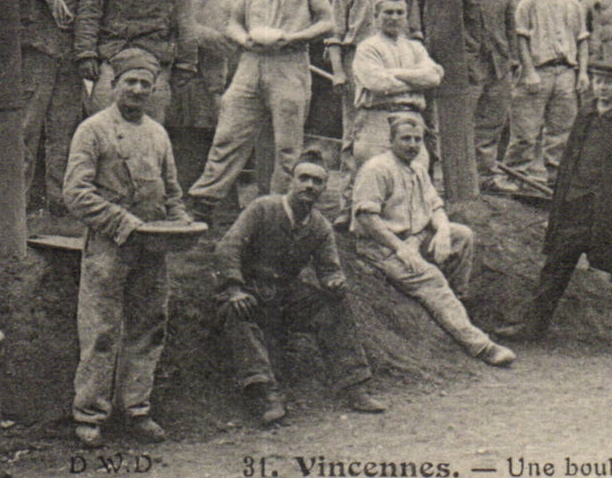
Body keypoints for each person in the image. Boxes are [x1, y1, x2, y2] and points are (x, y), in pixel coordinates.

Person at [63, 48, 188, 448]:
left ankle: (136, 410)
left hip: (152, 248)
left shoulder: (157, 133)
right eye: (129, 82)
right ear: (114, 85)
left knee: (149, 328)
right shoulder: (93, 130)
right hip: (108, 248)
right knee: (100, 330)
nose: (136, 89)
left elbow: (172, 192)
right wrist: (121, 221)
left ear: (152, 90)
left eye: (144, 84)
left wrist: (179, 221)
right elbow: (76, 193)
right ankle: (89, 415)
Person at [497, 64, 612, 352]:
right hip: (578, 204)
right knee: (556, 264)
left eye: (609, 83)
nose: (603, 88)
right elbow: (571, 159)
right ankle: (533, 327)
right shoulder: (587, 114)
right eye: (599, 82)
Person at [215, 149, 384, 426]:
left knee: (333, 305)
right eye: (303, 178)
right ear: (290, 181)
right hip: (248, 290)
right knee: (239, 315)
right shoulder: (263, 209)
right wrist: (234, 288)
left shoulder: (320, 227)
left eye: (317, 181)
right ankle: (266, 394)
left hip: (283, 297)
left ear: (324, 188)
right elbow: (227, 247)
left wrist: (334, 282)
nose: (309, 185)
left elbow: (329, 268)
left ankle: (354, 385)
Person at [188, 0, 335, 222]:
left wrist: (293, 37)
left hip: (289, 63)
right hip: (251, 63)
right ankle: (204, 202)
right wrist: (245, 40)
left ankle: (279, 210)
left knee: (286, 144)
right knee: (229, 133)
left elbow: (326, 22)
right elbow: (234, 23)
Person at [350, 114, 515, 367]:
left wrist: (443, 231)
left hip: (415, 237)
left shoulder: (417, 168)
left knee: (463, 236)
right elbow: (367, 218)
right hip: (381, 246)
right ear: (391, 140)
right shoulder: (377, 169)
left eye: (418, 140)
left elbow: (435, 207)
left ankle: (456, 308)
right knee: (431, 277)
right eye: (406, 139)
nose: (413, 145)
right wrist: (400, 248)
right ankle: (481, 346)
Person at [17, 0, 92, 217]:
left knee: (65, 133)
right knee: (25, 131)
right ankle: (16, 206)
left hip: (68, 60)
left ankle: (59, 203)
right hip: (33, 57)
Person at [326, 0, 421, 142]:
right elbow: (336, 34)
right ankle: (353, 171)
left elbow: (415, 32)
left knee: (397, 117)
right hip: (356, 59)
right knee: (355, 119)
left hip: (395, 60)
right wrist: (338, 72)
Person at [504, 0, 587, 190]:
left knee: (562, 131)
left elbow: (582, 40)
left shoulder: (573, 5)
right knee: (526, 130)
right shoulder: (529, 3)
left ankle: (556, 180)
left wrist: (581, 74)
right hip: (537, 71)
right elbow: (521, 40)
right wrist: (529, 71)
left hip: (565, 73)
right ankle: (515, 175)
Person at [164, 0, 238, 186]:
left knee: (210, 149)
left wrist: (188, 30)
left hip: (209, 88)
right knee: (173, 147)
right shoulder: (168, 1)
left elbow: (228, 45)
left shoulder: (227, 3)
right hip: (172, 85)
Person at [348, 0, 442, 169]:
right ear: (376, 17)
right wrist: (416, 80)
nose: (394, 17)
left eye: (400, 13)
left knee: (416, 174)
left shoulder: (415, 47)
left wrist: (392, 73)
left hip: (412, 119)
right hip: (378, 119)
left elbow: (433, 78)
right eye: (388, 12)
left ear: (406, 17)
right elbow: (378, 84)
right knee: (374, 174)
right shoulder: (368, 47)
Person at [462, 0, 518, 193]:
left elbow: (511, 31)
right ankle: (460, 176)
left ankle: (485, 176)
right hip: (468, 67)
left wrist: (512, 61)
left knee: (491, 123)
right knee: (462, 121)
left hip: (498, 67)